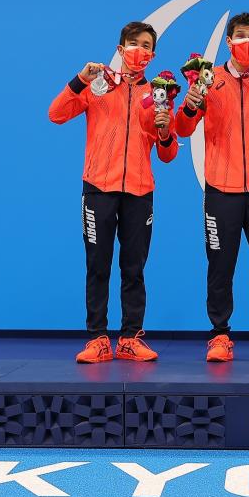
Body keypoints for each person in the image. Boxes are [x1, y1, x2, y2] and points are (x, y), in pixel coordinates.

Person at [48, 21, 177, 363]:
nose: (139, 50)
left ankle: (130, 338)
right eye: (133, 44)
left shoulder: (159, 94)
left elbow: (167, 154)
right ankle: (97, 339)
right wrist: (80, 79)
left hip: (139, 190)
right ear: (121, 49)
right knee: (98, 265)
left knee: (134, 268)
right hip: (98, 188)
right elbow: (56, 114)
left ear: (152, 54)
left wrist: (165, 131)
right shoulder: (98, 85)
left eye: (146, 45)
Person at [174, 12, 249, 362]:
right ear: (229, 42)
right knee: (220, 264)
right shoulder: (209, 79)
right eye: (241, 35)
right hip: (220, 190)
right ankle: (219, 335)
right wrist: (190, 103)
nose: (247, 42)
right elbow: (183, 129)